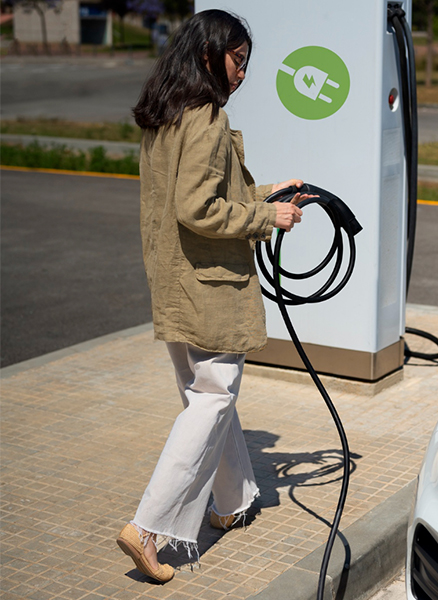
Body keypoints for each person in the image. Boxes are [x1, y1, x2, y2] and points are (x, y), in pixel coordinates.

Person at [116, 9, 309, 583]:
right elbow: (197, 207)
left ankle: (231, 502)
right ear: (208, 55)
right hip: (208, 282)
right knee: (214, 397)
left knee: (206, 393)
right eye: (237, 60)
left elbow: (207, 191)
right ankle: (149, 527)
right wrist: (267, 217)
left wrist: (269, 192)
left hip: (175, 278)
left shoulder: (168, 112)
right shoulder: (204, 116)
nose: (243, 73)